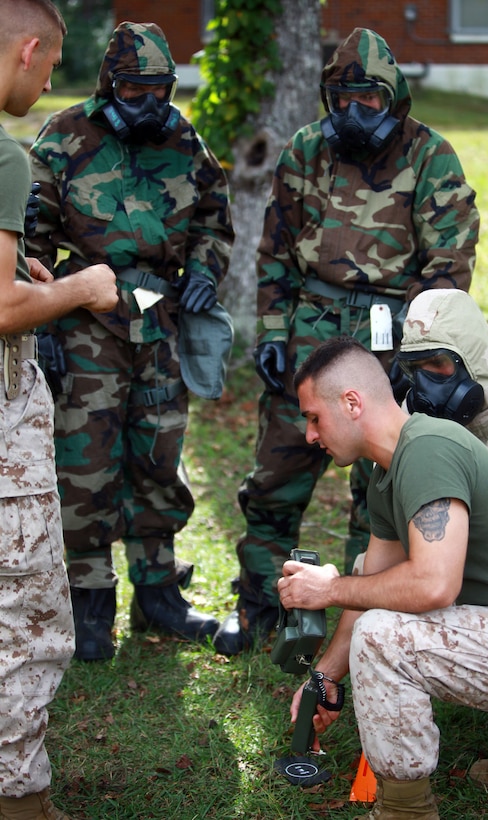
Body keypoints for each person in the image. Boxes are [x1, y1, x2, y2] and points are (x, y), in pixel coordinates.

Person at [212, 27, 480, 656]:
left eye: (370, 101)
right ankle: (258, 606)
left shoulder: (430, 156)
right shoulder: (305, 150)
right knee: (277, 472)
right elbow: (274, 255)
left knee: (380, 490)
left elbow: (449, 267)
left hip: (393, 335)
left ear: (395, 100)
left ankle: (363, 622)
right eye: (342, 100)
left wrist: (424, 358)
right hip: (313, 327)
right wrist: (275, 333)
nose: (354, 114)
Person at [25, 21, 234, 661]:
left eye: (160, 89)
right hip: (86, 322)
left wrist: (203, 271)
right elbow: (27, 242)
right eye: (135, 89)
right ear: (110, 84)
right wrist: (41, 329)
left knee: (158, 457)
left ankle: (159, 597)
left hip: (161, 322)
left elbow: (213, 218)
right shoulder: (63, 136)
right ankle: (90, 605)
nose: (149, 102)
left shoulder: (181, 136)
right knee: (85, 465)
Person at [279, 336, 488, 819]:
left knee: (383, 637)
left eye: (314, 417)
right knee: (374, 619)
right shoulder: (389, 473)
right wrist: (324, 678)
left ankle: (405, 812)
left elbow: (431, 586)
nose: (309, 436)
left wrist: (328, 588)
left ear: (352, 402)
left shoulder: (427, 450)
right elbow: (375, 586)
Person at [0, 1, 119, 816]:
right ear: (30, 48)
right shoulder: (7, 160)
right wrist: (81, 287)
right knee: (28, 617)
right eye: (50, 65)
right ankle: (20, 795)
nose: (48, 84)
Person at [397, 288, 488, 493]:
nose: (426, 384)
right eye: (416, 368)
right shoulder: (417, 410)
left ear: (472, 357)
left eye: (438, 362)